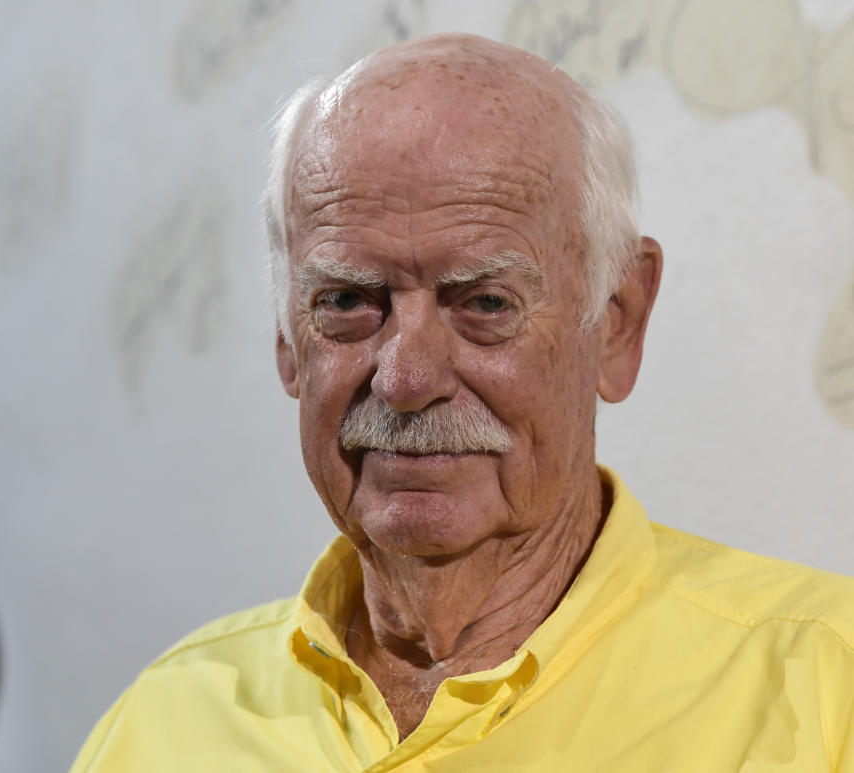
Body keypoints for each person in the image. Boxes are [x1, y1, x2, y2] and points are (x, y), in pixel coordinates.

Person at [71, 33, 854, 771]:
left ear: (616, 324)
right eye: (347, 299)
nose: (407, 379)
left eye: (483, 303)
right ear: (287, 341)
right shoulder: (161, 723)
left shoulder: (826, 686)